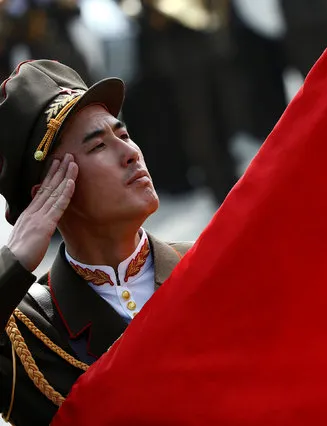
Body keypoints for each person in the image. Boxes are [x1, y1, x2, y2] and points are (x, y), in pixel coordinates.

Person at [0, 59, 192, 425]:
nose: (131, 153)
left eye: (122, 135)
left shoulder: (205, 263)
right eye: (98, 146)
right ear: (52, 195)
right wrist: (14, 262)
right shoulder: (27, 332)